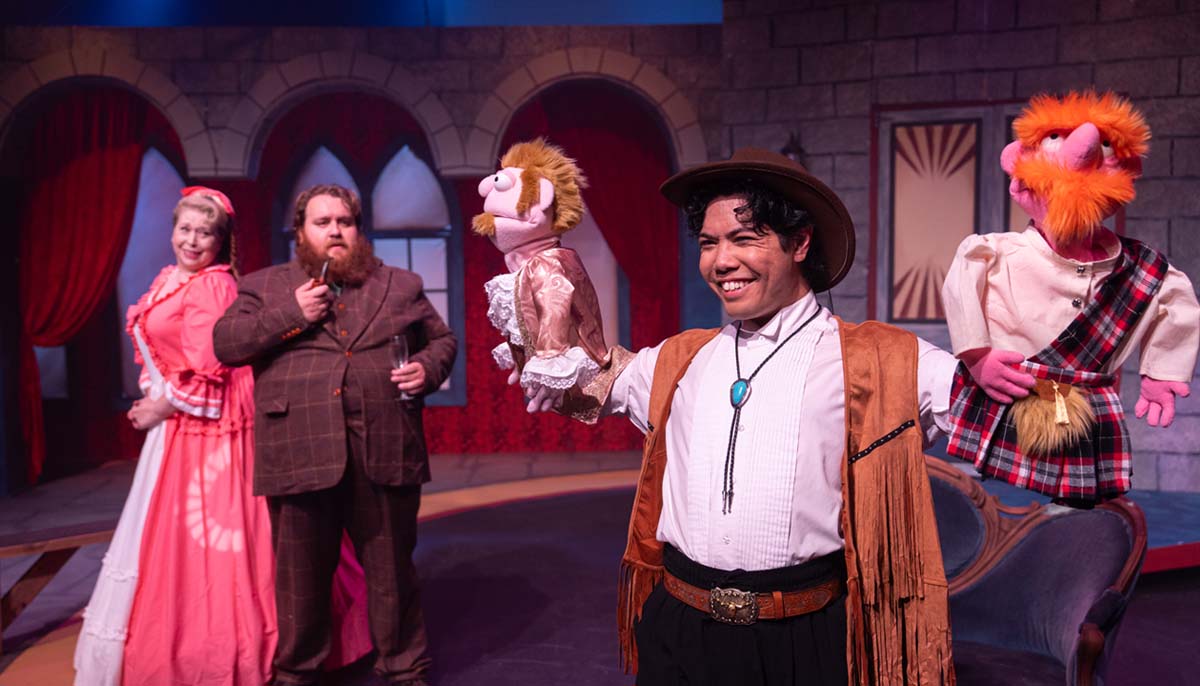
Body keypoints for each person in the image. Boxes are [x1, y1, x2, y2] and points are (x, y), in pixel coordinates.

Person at [515, 149, 958, 684]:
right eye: (708, 243)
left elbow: (1011, 420)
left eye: (745, 239)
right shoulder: (678, 359)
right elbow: (572, 379)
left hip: (803, 640)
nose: (721, 262)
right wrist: (529, 257)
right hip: (677, 629)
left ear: (800, 242)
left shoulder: (883, 360)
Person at [74, 188, 371, 686]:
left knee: (224, 540)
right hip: (181, 429)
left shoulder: (212, 285)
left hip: (215, 430)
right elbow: (163, 350)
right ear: (173, 230)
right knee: (183, 547)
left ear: (221, 241)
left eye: (205, 233)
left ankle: (242, 651)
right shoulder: (171, 278)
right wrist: (156, 393)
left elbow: (212, 365)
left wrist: (163, 403)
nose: (192, 241)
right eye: (185, 229)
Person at [213, 184, 457, 686]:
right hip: (298, 451)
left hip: (385, 446)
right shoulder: (265, 286)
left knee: (392, 574)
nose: (335, 231)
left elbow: (442, 340)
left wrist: (428, 368)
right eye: (322, 222)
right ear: (300, 232)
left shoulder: (400, 284)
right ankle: (296, 674)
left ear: (358, 230)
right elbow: (227, 344)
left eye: (344, 221)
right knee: (300, 580)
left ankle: (404, 670)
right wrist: (293, 314)